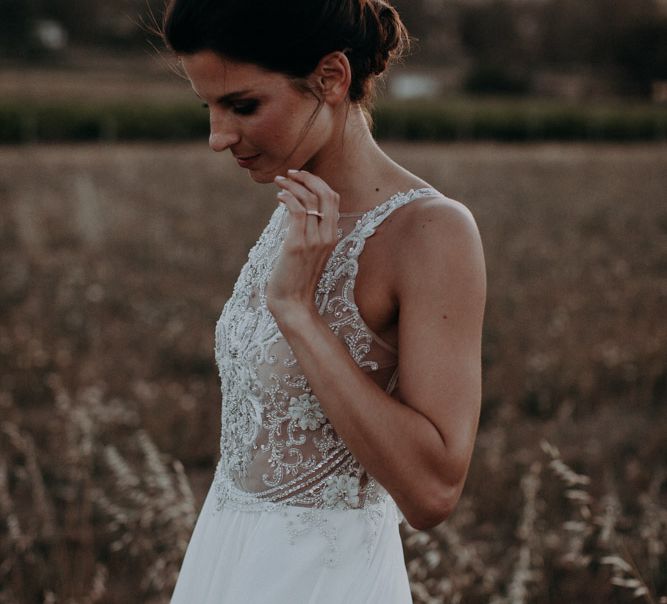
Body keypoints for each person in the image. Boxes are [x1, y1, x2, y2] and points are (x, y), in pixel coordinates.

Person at [163, 1, 486, 602]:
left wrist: (297, 313)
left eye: (242, 105)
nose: (217, 137)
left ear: (331, 79)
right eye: (207, 107)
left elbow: (434, 492)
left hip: (326, 580)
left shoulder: (432, 232)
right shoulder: (298, 213)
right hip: (226, 562)